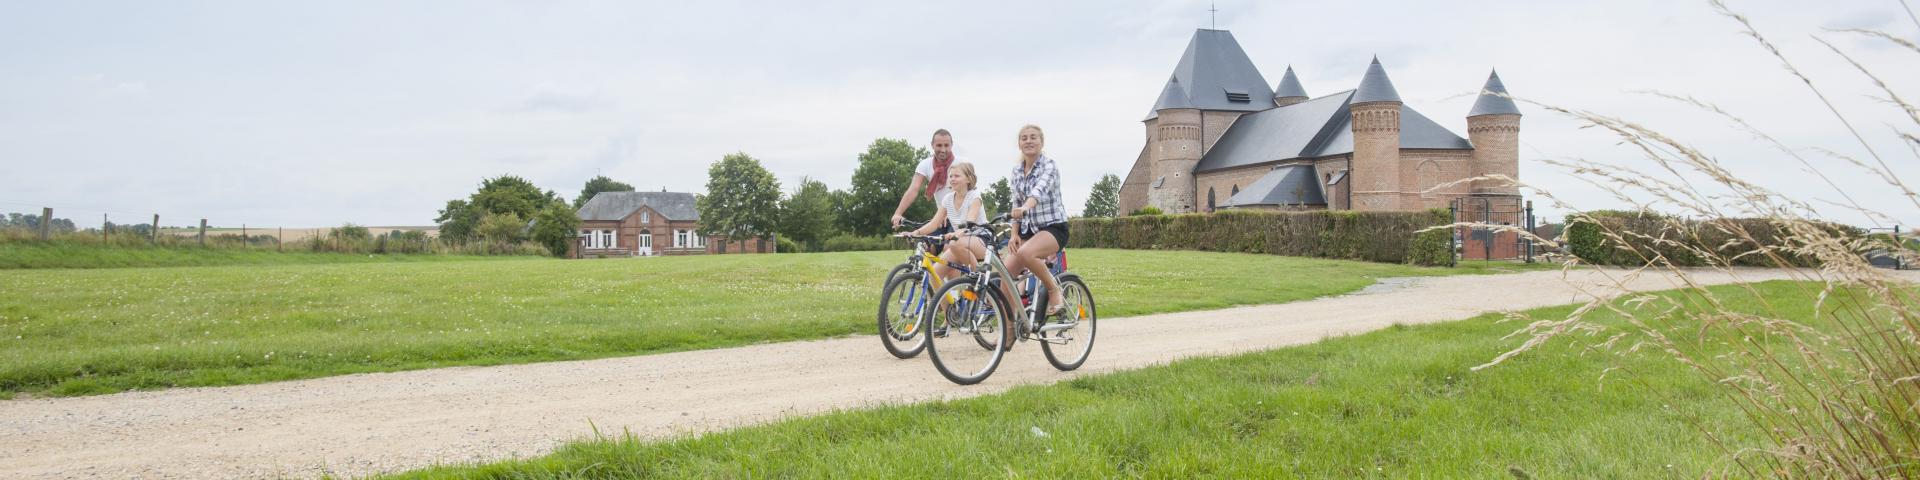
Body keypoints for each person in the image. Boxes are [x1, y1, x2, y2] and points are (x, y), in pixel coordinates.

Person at [1006, 124, 1069, 316]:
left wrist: (1026, 207)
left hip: (1053, 228)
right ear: (1019, 144)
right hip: (1029, 231)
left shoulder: (1049, 166)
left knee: (1026, 253)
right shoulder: (1017, 171)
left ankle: (1053, 289)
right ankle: (1011, 327)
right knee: (1005, 275)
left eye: (1033, 137)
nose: (1028, 141)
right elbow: (1016, 202)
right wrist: (1014, 233)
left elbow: (1038, 192)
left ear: (1041, 142)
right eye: (1024, 138)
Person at [898, 162, 989, 282]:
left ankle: (978, 277)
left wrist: (956, 234)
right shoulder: (948, 199)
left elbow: (969, 224)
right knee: (934, 276)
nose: (952, 179)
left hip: (981, 239)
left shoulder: (974, 197)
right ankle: (950, 301)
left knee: (953, 244)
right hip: (959, 243)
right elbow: (934, 224)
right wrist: (915, 233)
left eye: (957, 176)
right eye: (950, 176)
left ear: (969, 179)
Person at [890, 129, 957, 232]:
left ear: (951, 145)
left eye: (946, 145)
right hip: (941, 217)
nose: (943, 149)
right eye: (939, 145)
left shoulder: (961, 163)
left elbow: (967, 192)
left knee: (950, 245)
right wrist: (898, 213)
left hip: (961, 216)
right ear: (932, 145)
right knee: (927, 243)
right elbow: (913, 189)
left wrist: (948, 213)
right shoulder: (925, 164)